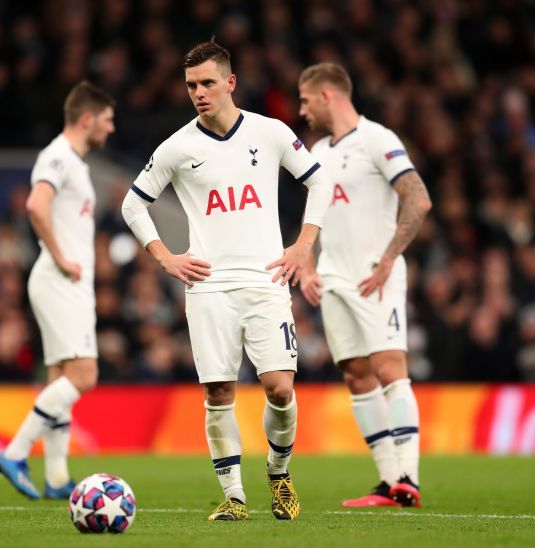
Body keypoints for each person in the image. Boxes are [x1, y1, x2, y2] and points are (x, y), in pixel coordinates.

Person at [121, 39, 333, 521]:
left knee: (280, 387)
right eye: (192, 85)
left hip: (266, 279)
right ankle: (234, 496)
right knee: (218, 393)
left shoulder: (271, 132)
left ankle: (279, 475)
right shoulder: (177, 146)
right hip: (209, 286)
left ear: (230, 82)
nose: (199, 92)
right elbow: (133, 203)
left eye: (208, 83)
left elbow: (318, 181)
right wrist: (165, 258)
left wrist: (303, 246)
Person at [297, 63, 432, 507]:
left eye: (304, 100)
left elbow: (418, 197)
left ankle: (408, 476)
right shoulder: (318, 151)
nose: (301, 110)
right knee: (356, 376)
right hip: (333, 281)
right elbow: (317, 216)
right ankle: (388, 481)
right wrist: (311, 266)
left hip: (376, 277)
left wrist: (389, 258)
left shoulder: (378, 139)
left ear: (327, 96)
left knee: (390, 368)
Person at [0, 81, 115, 500]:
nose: (112, 128)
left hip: (64, 281)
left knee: (62, 377)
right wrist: (61, 256)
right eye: (107, 119)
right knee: (85, 376)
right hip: (60, 278)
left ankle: (58, 477)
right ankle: (15, 452)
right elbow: (34, 204)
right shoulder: (58, 155)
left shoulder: (75, 163)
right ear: (87, 119)